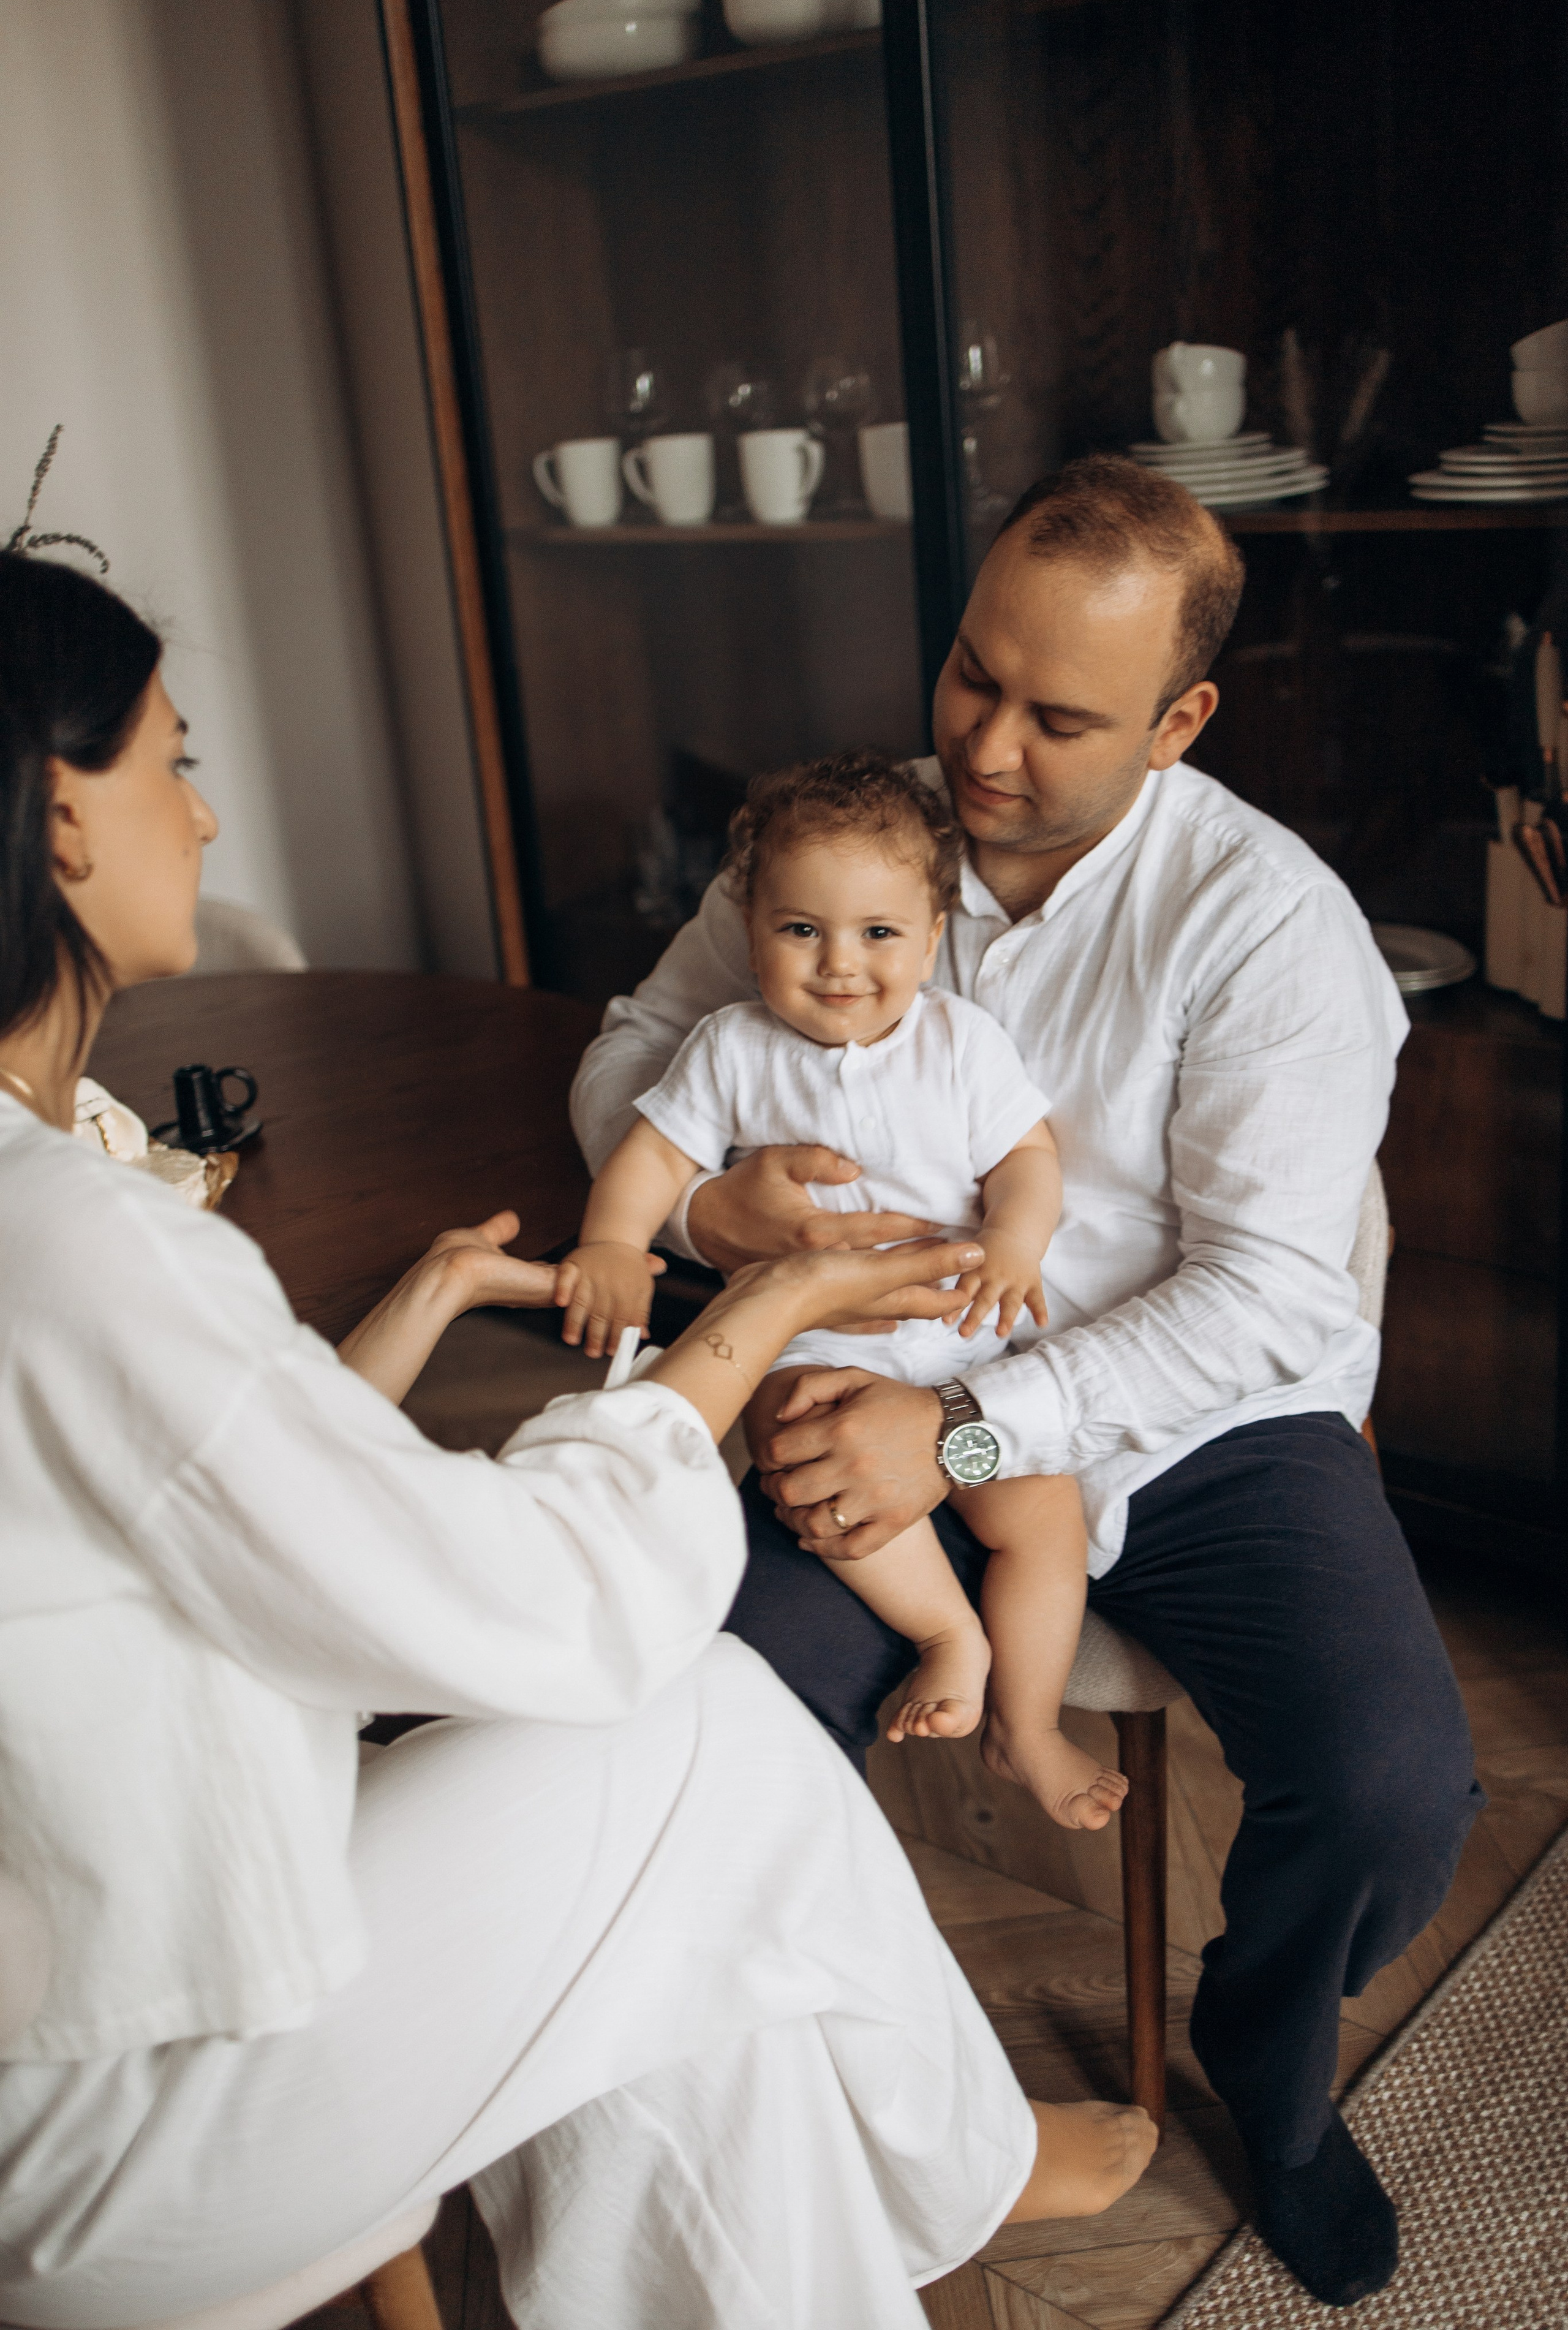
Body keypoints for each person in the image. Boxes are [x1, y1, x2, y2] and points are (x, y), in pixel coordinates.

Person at [0, 547, 1158, 2330]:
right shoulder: (71, 1239)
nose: (211, 818)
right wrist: (763, 1309)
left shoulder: (52, 1190)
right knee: (684, 1720)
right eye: (173, 758)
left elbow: (198, 1487)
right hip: (106, 2100)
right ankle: (953, 2163)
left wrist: (432, 1304)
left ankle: (938, 2167)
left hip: (89, 1953)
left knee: (691, 1841)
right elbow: (538, 1609)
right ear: (60, 820)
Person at [570, 455, 1485, 2311]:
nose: (982, 748)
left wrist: (966, 1429)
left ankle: (1272, 2063)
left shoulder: (1269, 928)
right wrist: (723, 1215)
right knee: (694, 1722)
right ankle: (841, 2129)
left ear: (1181, 719)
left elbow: (1259, 1295)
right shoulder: (848, 836)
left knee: (1395, 1785)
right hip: (853, 1367)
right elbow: (635, 1059)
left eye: (1058, 716)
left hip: (1193, 1419)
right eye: (972, 673)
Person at [555, 751, 1126, 1832]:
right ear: (752, 925)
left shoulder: (961, 1046)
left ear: (932, 937)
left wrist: (1014, 1239)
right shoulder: (731, 1048)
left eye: (878, 933)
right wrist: (615, 1242)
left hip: (961, 1360)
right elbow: (652, 1158)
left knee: (1043, 1514)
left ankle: (1027, 1722)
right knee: (808, 1460)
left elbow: (1028, 1160)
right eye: (800, 930)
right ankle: (948, 1634)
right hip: (821, 1349)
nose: (839, 965)